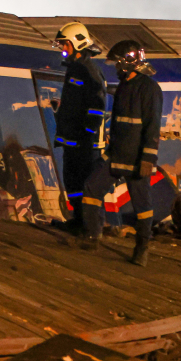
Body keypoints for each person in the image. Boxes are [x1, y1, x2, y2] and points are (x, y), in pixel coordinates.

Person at [81, 40, 162, 267]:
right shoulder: (125, 85)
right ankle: (91, 236)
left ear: (128, 61)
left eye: (118, 63)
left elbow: (152, 127)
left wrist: (148, 158)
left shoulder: (150, 89)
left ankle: (142, 249)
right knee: (91, 187)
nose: (115, 67)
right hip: (116, 155)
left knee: (142, 206)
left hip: (137, 160)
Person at [52, 22, 107, 232]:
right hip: (72, 142)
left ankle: (90, 227)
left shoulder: (88, 71)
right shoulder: (76, 69)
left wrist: (87, 134)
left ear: (77, 43)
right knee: (72, 183)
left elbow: (97, 107)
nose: (62, 50)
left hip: (84, 144)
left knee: (86, 185)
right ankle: (77, 220)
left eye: (65, 45)